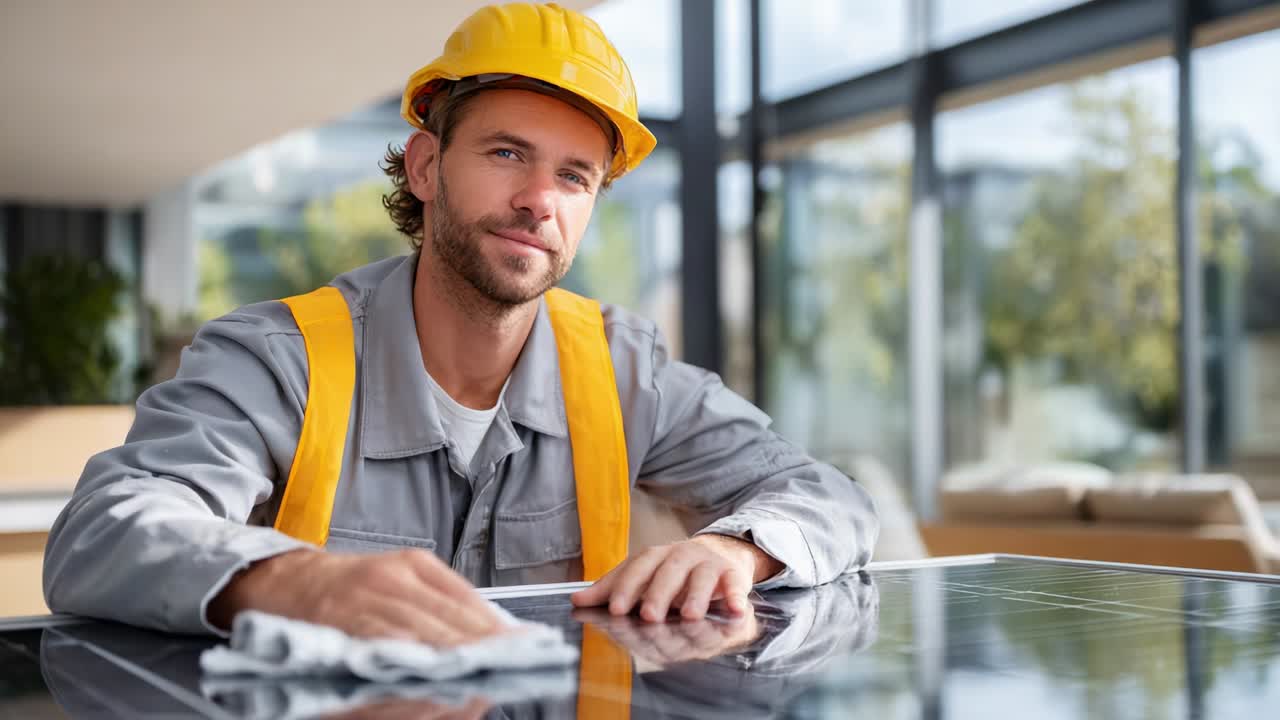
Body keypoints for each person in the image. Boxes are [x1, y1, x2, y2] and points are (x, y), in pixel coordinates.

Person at [42, 2, 878, 646]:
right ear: (427, 166)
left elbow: (829, 497)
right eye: (507, 153)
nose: (538, 200)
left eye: (576, 176)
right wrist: (295, 582)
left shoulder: (625, 370)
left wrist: (738, 551)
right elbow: (104, 530)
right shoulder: (276, 359)